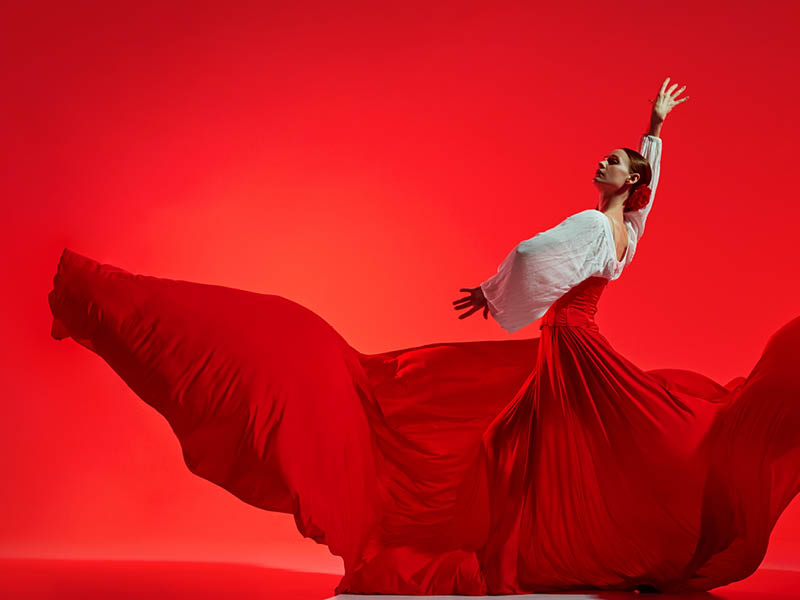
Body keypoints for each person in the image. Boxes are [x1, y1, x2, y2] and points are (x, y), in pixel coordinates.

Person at [47, 78, 800, 596]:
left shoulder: (587, 227)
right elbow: (647, 193)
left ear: (618, 182)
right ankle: (567, 533)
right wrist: (656, 127)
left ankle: (541, 541)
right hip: (572, 347)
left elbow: (535, 257)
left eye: (611, 161)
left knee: (533, 450)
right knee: (530, 450)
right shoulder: (628, 230)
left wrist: (494, 292)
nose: (599, 162)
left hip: (571, 355)